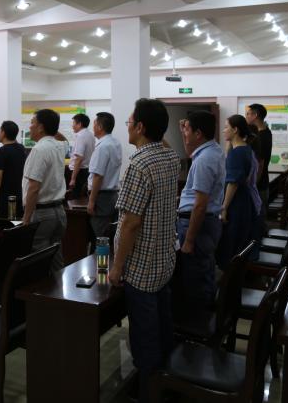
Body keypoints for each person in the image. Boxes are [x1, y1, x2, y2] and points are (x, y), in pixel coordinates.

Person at [109, 99, 180, 403]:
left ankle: (148, 395)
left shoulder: (139, 165)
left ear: (140, 127)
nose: (127, 126)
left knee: (145, 341)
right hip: (164, 261)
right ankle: (164, 387)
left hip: (141, 268)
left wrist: (116, 267)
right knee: (162, 333)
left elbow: (130, 223)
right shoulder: (171, 157)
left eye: (129, 121)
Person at [177, 110, 225, 311]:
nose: (184, 133)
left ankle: (200, 318)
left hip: (198, 224)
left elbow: (200, 204)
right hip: (205, 222)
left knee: (196, 275)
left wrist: (189, 240)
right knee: (202, 270)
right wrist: (183, 131)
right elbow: (189, 150)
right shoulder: (212, 150)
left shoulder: (205, 159)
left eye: (187, 129)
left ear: (198, 134)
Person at [22, 109, 68, 271]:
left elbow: (34, 188)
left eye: (32, 123)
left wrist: (26, 219)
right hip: (59, 212)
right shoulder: (59, 146)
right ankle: (58, 286)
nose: (29, 127)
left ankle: (42, 287)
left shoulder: (39, 150)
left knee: (38, 262)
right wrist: (53, 128)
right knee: (55, 258)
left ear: (41, 127)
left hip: (42, 214)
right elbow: (64, 139)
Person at [218, 115, 262, 268]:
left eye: (226, 127)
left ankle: (230, 277)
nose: (223, 130)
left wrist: (224, 208)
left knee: (232, 245)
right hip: (245, 201)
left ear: (235, 130)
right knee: (240, 242)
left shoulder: (237, 153)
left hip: (237, 203)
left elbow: (233, 183)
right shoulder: (246, 148)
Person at [87, 112, 123, 242]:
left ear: (100, 127)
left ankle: (101, 256)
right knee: (109, 234)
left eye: (94, 124)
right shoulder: (115, 143)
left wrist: (91, 201)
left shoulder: (102, 146)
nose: (93, 127)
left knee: (101, 237)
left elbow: (98, 176)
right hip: (112, 195)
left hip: (101, 197)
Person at [0, 121, 26, 219]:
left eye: (0, 131)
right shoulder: (21, 148)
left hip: (5, 197)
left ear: (3, 133)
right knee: (16, 223)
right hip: (19, 194)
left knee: (6, 223)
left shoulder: (1, 151)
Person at [245, 103, 273, 222]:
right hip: (262, 182)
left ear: (255, 115)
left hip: (259, 185)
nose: (246, 117)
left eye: (248, 114)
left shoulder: (261, 136)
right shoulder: (265, 132)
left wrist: (253, 185)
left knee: (258, 220)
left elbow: (260, 163)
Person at [68, 113, 95, 199]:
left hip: (78, 172)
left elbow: (79, 158)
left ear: (79, 124)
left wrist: (73, 179)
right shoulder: (90, 135)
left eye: (73, 123)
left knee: (74, 197)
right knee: (82, 197)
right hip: (86, 170)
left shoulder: (81, 136)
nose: (72, 126)